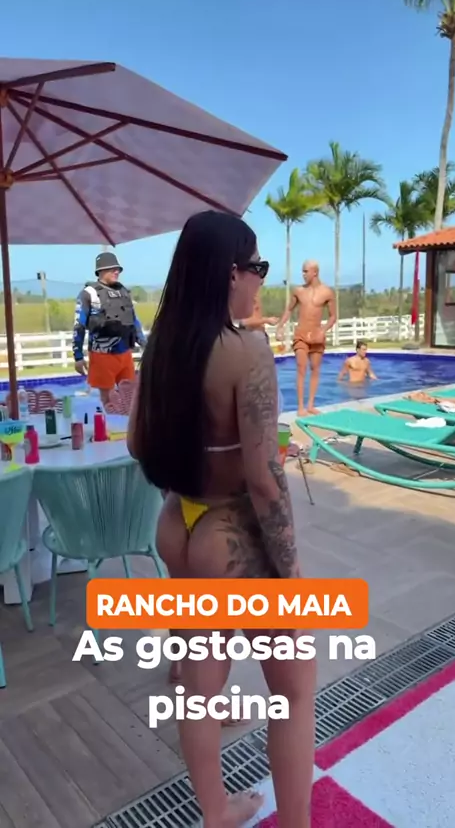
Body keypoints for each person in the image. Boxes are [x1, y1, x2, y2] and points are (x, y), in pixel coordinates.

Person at [127, 211, 315, 828]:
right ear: (230, 273)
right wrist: (291, 573)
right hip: (230, 536)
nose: (261, 280)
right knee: (293, 694)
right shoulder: (246, 350)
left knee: (197, 686)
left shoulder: (162, 348)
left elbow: (137, 443)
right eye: (257, 267)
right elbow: (263, 478)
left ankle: (216, 811)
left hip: (177, 526)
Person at [72, 252, 147, 404]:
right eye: (112, 269)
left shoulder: (123, 291)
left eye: (118, 269)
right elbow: (79, 326)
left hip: (125, 353)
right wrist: (78, 356)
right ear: (101, 270)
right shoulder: (88, 294)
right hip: (102, 355)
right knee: (107, 400)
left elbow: (133, 320)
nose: (117, 271)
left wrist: (145, 344)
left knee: (130, 397)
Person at [276, 260, 336, 415]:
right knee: (301, 367)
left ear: (315, 272)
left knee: (315, 368)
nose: (303, 274)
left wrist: (323, 330)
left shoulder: (327, 292)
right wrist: (280, 326)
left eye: (305, 271)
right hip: (301, 335)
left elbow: (333, 316)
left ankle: (310, 405)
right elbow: (289, 310)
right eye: (302, 271)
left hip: (317, 336)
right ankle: (301, 406)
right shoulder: (298, 291)